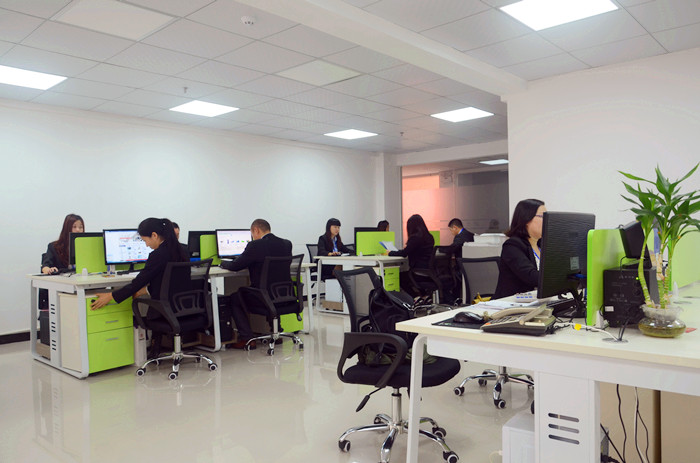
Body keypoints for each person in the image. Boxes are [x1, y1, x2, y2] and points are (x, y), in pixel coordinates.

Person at [221, 219, 292, 349]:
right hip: (283, 295)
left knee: (235, 298)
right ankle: (276, 332)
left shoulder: (255, 245)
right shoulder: (286, 244)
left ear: (256, 230)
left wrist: (222, 263)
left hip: (263, 298)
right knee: (270, 290)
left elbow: (235, 266)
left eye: (252, 234)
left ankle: (247, 338)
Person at [91, 218, 187, 310]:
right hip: (184, 306)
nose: (146, 245)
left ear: (154, 235)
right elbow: (170, 282)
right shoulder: (184, 249)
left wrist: (111, 296)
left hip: (165, 309)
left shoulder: (157, 255)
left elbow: (138, 282)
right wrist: (145, 290)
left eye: (145, 240)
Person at [493, 199, 546, 299]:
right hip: (512, 303)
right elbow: (531, 277)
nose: (547, 221)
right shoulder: (512, 246)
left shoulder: (542, 245)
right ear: (527, 219)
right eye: (543, 216)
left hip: (537, 300)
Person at [388, 214, 434, 297]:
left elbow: (404, 253)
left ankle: (416, 298)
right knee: (406, 276)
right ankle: (423, 296)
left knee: (400, 278)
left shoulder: (415, 238)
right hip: (430, 272)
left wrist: (389, 253)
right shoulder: (430, 237)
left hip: (418, 272)